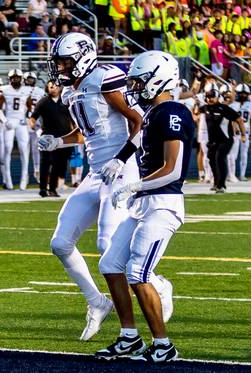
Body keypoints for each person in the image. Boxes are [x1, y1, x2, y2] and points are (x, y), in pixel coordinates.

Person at [38, 32, 158, 341]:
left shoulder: (106, 78)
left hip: (121, 169)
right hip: (96, 173)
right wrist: (58, 142)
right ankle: (97, 302)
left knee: (108, 246)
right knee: (60, 243)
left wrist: (121, 158)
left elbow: (139, 121)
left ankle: (156, 284)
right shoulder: (72, 92)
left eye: (65, 63)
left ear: (82, 57)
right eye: (59, 63)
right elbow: (86, 132)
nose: (61, 69)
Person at [95, 51, 190, 363]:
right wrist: (120, 163)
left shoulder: (172, 111)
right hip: (143, 203)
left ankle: (163, 345)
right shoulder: (151, 114)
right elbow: (137, 144)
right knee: (110, 264)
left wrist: (133, 184)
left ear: (159, 79)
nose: (134, 87)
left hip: (163, 204)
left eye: (139, 80)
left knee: (139, 271)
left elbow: (173, 170)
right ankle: (129, 337)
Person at [199, 84, 245, 193]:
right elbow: (196, 112)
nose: (209, 99)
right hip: (212, 140)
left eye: (212, 97)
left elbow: (239, 120)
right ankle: (216, 182)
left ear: (218, 97)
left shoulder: (224, 108)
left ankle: (221, 185)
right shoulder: (205, 108)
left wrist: (243, 134)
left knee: (219, 158)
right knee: (211, 160)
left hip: (225, 139)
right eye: (208, 97)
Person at [32, 80, 73, 197]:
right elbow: (33, 118)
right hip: (47, 136)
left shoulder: (66, 101)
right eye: (50, 87)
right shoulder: (43, 102)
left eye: (55, 86)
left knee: (58, 163)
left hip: (63, 137)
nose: (52, 89)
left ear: (60, 88)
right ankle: (43, 189)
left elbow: (73, 119)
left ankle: (53, 189)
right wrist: (37, 130)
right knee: (45, 163)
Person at [0, 69, 33, 190]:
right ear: (9, 79)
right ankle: (8, 180)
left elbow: (30, 108)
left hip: (21, 122)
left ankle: (24, 179)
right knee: (7, 149)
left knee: (24, 150)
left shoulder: (26, 90)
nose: (15, 80)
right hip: (9, 121)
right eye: (13, 78)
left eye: (17, 77)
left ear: (21, 79)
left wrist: (29, 118)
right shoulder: (5, 90)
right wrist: (5, 121)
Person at [230, 84, 251, 182]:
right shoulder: (232, 104)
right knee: (233, 155)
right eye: (241, 93)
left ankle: (242, 175)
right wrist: (234, 129)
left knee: (244, 154)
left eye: (245, 94)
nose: (243, 95)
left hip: (246, 131)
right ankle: (232, 175)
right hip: (235, 133)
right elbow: (231, 119)